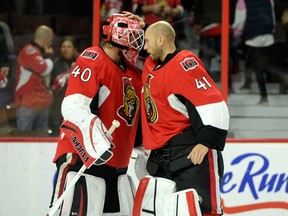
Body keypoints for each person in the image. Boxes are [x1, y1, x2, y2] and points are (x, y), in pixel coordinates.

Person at [49, 12, 144, 215]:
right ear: (117, 37)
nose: (138, 42)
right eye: (133, 36)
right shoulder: (93, 58)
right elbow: (73, 106)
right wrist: (95, 143)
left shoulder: (134, 73)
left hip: (117, 164)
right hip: (84, 159)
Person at [133, 21, 230, 216]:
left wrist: (206, 141)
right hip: (162, 158)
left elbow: (212, 101)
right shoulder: (153, 66)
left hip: (190, 154)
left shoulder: (183, 63)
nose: (145, 47)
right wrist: (139, 23)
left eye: (148, 41)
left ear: (161, 40)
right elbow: (150, 41)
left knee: (201, 211)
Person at [233, 0, 276, 104]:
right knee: (264, 64)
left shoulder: (242, 2)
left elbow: (240, 21)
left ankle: (263, 96)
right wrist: (271, 30)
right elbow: (273, 18)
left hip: (253, 36)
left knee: (257, 67)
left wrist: (236, 32)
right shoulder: (269, 1)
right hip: (267, 35)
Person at [14, 25, 54, 135]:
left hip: (42, 101)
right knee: (23, 137)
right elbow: (44, 69)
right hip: (28, 102)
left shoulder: (39, 52)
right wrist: (50, 56)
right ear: (45, 39)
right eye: (50, 40)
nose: (51, 44)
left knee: (43, 137)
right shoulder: (29, 50)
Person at [49, 35, 79, 136]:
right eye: (63, 46)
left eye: (69, 47)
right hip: (58, 105)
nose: (65, 49)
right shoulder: (55, 63)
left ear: (75, 49)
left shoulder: (81, 63)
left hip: (75, 105)